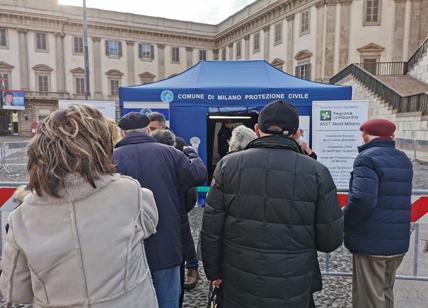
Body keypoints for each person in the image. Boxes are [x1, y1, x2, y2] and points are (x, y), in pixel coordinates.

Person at [0, 105, 159, 307]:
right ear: (102, 146)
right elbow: (151, 226)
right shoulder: (130, 193)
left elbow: (15, 292)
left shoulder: (22, 216)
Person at [201, 100, 343, 308]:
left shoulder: (228, 165)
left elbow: (211, 228)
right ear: (296, 134)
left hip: (238, 278)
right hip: (293, 281)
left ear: (257, 129)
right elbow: (330, 240)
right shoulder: (317, 172)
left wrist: (213, 273)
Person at [114, 113, 207, 308]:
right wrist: (191, 153)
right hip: (166, 244)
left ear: (122, 133)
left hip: (126, 246)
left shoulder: (111, 158)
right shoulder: (169, 153)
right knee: (168, 301)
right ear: (148, 130)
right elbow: (197, 174)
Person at [343, 119, 413, 308]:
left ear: (366, 135)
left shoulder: (366, 159)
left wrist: (343, 221)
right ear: (391, 136)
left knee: (369, 300)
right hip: (397, 242)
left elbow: (362, 199)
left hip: (371, 242)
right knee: (385, 293)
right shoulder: (403, 159)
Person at [150, 129, 200, 305]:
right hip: (171, 227)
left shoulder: (175, 155)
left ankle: (192, 268)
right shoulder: (175, 156)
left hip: (173, 223)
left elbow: (191, 192)